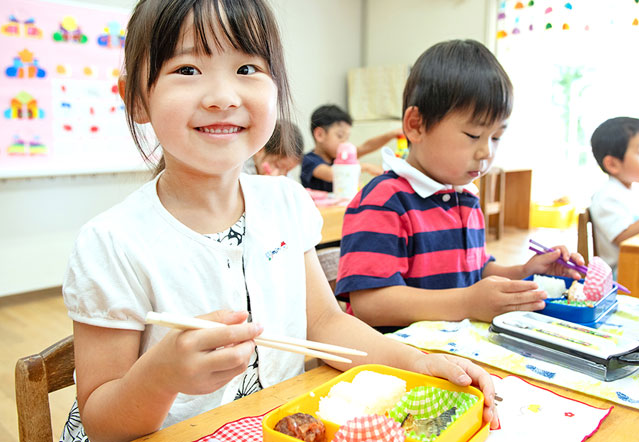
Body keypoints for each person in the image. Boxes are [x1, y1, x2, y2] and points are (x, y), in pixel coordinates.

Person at [59, 2, 498, 441]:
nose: (223, 97)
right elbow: (101, 423)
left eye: (247, 67)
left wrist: (416, 361)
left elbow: (327, 323)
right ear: (136, 98)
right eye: (188, 69)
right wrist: (159, 377)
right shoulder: (112, 243)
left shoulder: (285, 203)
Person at [334, 39, 584, 333]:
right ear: (416, 125)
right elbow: (371, 305)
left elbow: (475, 271)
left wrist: (525, 272)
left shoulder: (464, 198)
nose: (486, 152)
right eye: (473, 134)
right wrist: (467, 302)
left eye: (496, 137)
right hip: (396, 360)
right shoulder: (384, 200)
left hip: (453, 350)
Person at [589, 117, 639, 272]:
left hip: (638, 264)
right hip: (621, 274)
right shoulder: (607, 196)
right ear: (612, 164)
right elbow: (624, 237)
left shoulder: (630, 191)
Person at [300, 104, 402, 191]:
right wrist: (365, 167)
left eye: (347, 138)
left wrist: (391, 135)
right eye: (340, 136)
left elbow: (366, 147)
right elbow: (332, 174)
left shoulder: (342, 156)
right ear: (320, 135)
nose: (345, 142)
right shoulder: (309, 160)